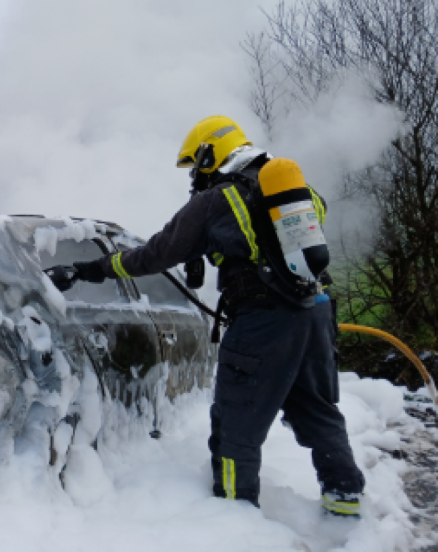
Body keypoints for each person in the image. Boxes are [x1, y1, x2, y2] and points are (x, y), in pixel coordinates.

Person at [48, 115, 365, 517]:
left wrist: (91, 269)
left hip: (262, 323)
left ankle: (236, 518)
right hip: (314, 312)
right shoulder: (295, 190)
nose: (196, 177)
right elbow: (280, 243)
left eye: (197, 167)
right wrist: (215, 251)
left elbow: (155, 254)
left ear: (209, 153)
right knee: (318, 409)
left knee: (237, 424)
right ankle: (345, 500)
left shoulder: (217, 200)